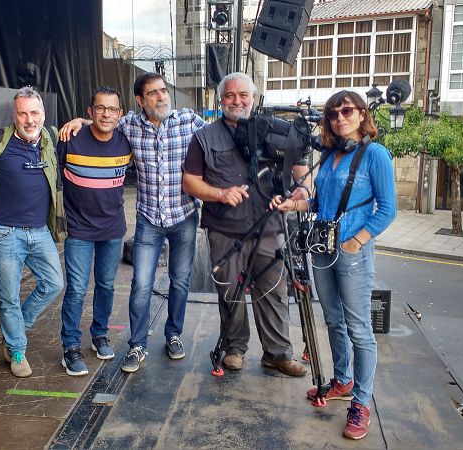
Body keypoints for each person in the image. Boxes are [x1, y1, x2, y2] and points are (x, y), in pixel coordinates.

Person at [60, 73, 205, 373]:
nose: (162, 97)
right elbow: (104, 120)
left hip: (184, 216)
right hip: (149, 219)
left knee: (179, 281)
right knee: (139, 284)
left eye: (164, 91)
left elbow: (219, 142)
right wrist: (81, 121)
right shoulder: (129, 126)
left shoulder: (189, 121)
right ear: (140, 101)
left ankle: (173, 334)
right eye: (153, 93)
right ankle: (137, 344)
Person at [272, 90, 396, 440]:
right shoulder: (328, 155)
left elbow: (387, 209)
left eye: (346, 111)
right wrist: (296, 204)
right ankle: (342, 380)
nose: (339, 118)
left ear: (361, 115)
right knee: (333, 320)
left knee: (359, 329)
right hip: (322, 248)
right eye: (333, 114)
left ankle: (361, 402)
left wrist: (356, 240)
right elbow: (319, 200)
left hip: (351, 251)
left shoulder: (376, 156)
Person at [182, 72, 309, 377]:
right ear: (220, 100)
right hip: (225, 231)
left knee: (274, 292)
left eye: (243, 95)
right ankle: (234, 348)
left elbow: (303, 179)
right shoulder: (204, 137)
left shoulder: (281, 132)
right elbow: (190, 182)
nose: (236, 101)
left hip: (270, 228)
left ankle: (277, 354)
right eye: (229, 96)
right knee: (229, 292)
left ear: (254, 98)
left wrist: (297, 196)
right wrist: (220, 194)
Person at [0, 87, 64, 378]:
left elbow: (85, 130)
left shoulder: (51, 138)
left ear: (43, 114)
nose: (29, 120)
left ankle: (15, 331)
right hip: (5, 233)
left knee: (54, 283)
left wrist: (79, 122)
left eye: (34, 113)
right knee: (8, 297)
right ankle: (17, 350)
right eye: (22, 113)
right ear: (14, 115)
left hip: (40, 231)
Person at [57, 86, 132, 376]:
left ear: (120, 114)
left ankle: (99, 334)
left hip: (112, 229)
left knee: (106, 286)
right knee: (76, 289)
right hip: (79, 230)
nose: (106, 114)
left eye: (112, 109)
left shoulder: (127, 143)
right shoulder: (70, 138)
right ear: (90, 111)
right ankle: (71, 347)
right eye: (100, 108)